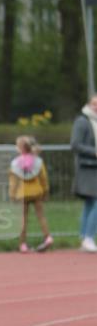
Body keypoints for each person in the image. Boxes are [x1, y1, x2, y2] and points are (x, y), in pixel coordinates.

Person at [8, 135, 52, 253]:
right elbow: (44, 178)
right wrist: (46, 191)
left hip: (22, 194)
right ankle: (47, 237)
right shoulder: (37, 161)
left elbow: (13, 181)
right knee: (41, 216)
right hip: (36, 192)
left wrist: (12, 194)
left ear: (20, 148)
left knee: (23, 219)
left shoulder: (15, 163)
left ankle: (22, 244)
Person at [70, 93, 97, 253]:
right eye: (94, 104)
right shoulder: (82, 121)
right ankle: (88, 236)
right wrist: (95, 152)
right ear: (89, 104)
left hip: (94, 168)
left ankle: (84, 237)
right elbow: (75, 144)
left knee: (90, 203)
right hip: (87, 167)